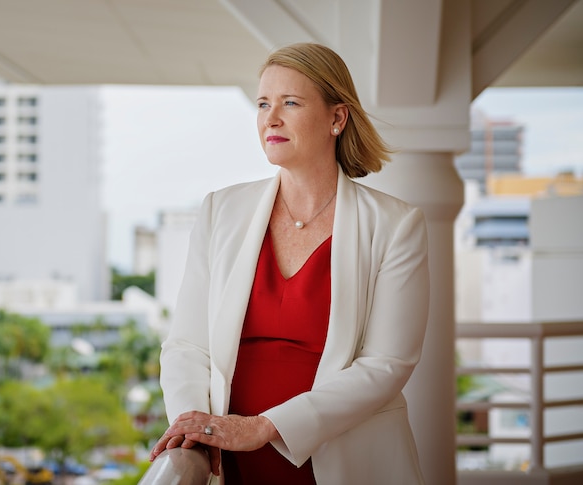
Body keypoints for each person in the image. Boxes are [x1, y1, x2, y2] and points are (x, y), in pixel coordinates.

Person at [149, 43, 430, 484]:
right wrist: (197, 427)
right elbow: (186, 344)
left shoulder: (396, 224)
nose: (270, 118)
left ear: (337, 119)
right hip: (232, 456)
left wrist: (263, 427)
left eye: (290, 103)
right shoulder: (220, 210)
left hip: (344, 457)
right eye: (263, 103)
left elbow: (386, 364)